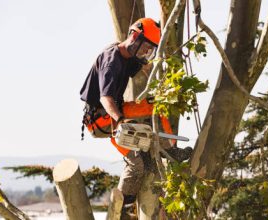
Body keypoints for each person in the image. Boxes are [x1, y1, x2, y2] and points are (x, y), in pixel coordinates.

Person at [79, 18, 192, 217]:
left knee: (155, 105)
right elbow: (105, 98)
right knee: (136, 163)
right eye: (146, 46)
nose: (146, 51)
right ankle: (123, 208)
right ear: (134, 36)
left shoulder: (128, 57)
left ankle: (169, 149)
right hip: (101, 118)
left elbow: (148, 68)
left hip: (116, 111)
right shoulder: (111, 60)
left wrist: (169, 77)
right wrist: (121, 121)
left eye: (151, 48)